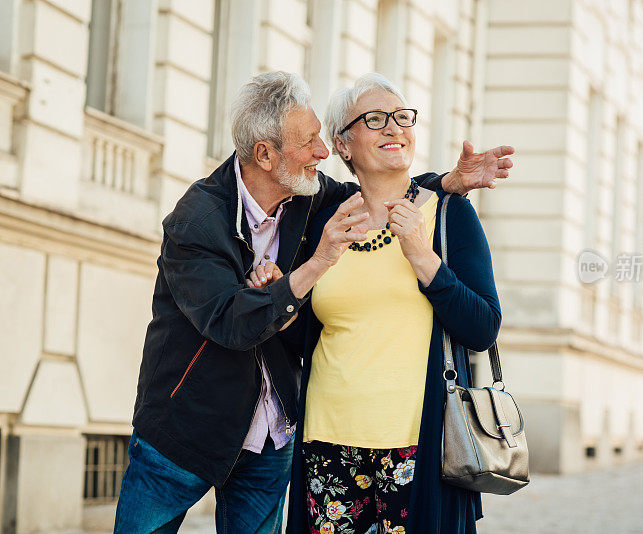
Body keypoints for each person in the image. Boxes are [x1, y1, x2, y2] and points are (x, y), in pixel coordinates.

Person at [113, 71, 513, 533]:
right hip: (190, 431)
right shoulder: (199, 221)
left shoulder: (316, 199)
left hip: (276, 439)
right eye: (310, 142)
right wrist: (301, 276)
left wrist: (445, 185)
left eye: (402, 118)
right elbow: (233, 324)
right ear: (265, 154)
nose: (320, 153)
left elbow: (386, 187)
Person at [281, 73, 502, 534]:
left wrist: (424, 260)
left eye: (402, 118)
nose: (393, 129)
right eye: (375, 119)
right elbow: (304, 337)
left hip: (418, 447)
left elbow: (483, 328)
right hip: (327, 441)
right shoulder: (325, 220)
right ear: (343, 145)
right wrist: (281, 296)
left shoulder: (448, 215)